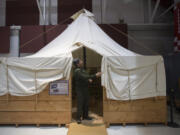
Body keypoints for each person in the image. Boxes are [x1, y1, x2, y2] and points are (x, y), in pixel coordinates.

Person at [73, 58, 101, 124]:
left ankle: (85, 116)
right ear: (77, 63)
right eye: (80, 61)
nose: (82, 61)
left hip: (85, 89)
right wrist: (95, 75)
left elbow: (86, 76)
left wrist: (88, 79)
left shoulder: (82, 69)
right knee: (80, 103)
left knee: (86, 102)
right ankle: (78, 118)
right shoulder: (77, 71)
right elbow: (84, 77)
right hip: (80, 90)